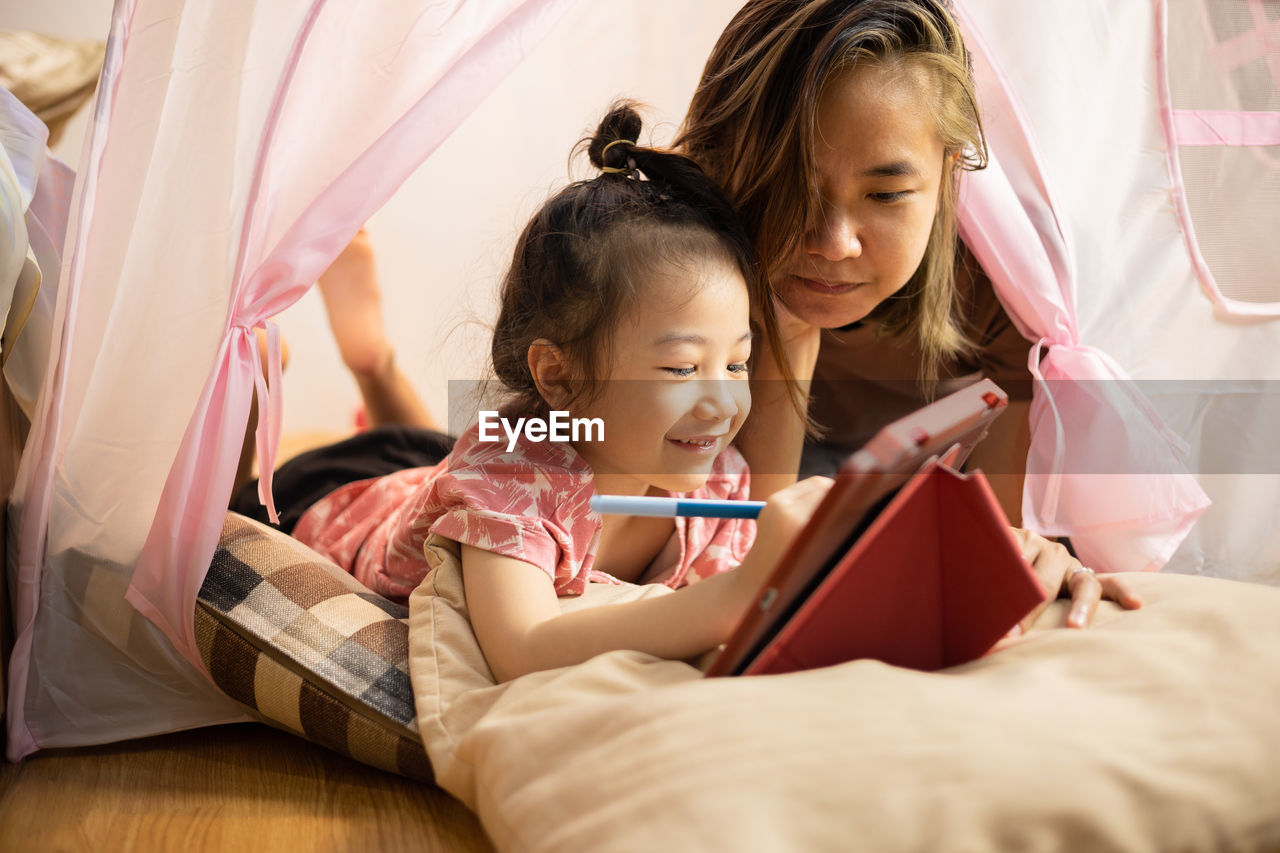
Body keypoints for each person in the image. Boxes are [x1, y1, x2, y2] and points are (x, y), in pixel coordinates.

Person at [236, 0, 1138, 632]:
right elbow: (535, 477)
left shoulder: (1024, 300)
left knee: (483, 465)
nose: (831, 240)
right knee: (454, 467)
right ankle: (374, 366)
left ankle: (382, 376)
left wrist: (1025, 556)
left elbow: (767, 540)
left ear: (949, 177)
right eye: (796, 187)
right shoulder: (683, 252)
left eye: (887, 192)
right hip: (456, 475)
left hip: (584, 472)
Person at [265, 104, 830, 681]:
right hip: (332, 494)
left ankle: (371, 360)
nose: (723, 404)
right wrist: (734, 597)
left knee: (443, 451)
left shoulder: (719, 480)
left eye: (738, 363)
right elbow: (523, 648)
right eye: (683, 369)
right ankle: (352, 364)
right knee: (248, 504)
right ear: (558, 376)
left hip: (442, 469)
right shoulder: (506, 486)